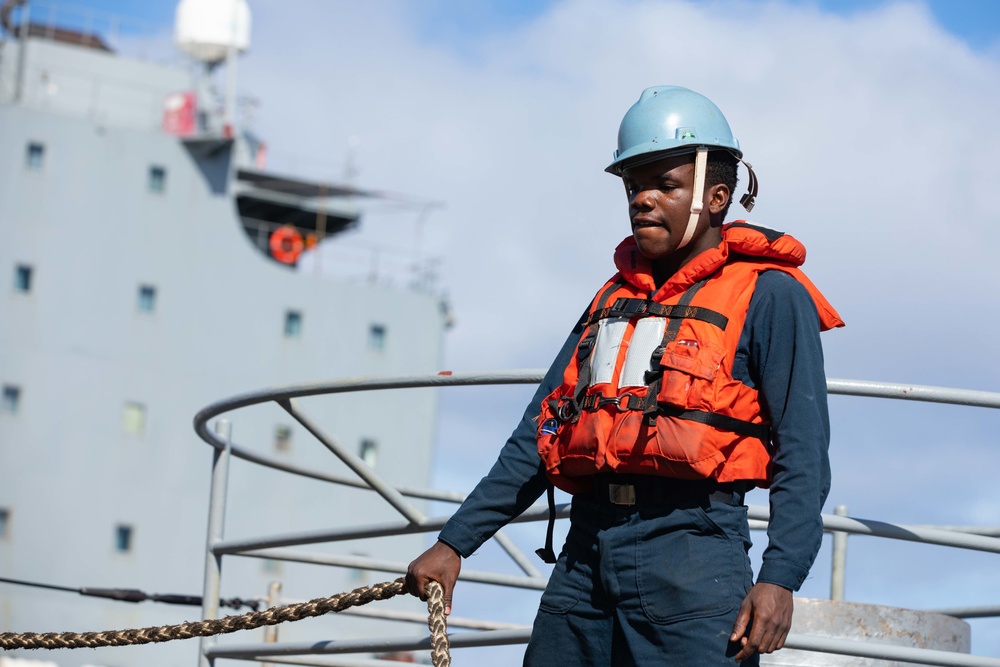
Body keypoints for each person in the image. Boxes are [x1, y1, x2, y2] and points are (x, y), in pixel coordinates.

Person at [406, 85, 844, 665]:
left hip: (695, 553)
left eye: (666, 184)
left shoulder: (770, 296)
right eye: (635, 185)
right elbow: (539, 434)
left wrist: (780, 577)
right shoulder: (612, 300)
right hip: (585, 555)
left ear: (715, 197)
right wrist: (454, 543)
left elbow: (804, 452)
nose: (643, 199)